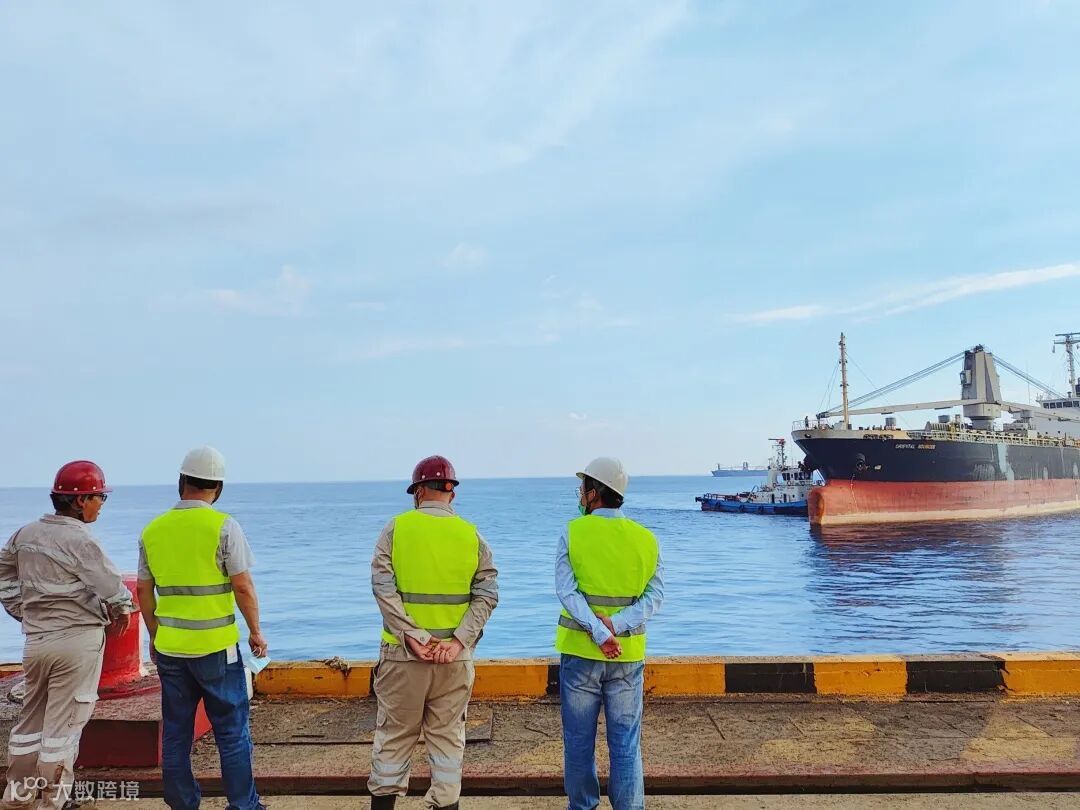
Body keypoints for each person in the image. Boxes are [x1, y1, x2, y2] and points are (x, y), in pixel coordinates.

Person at [136, 447, 267, 810]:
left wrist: (155, 635)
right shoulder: (224, 526)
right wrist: (256, 632)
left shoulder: (153, 530)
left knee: (176, 733)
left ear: (181, 482)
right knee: (232, 733)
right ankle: (243, 805)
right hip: (217, 649)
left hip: (171, 649)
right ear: (218, 488)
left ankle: (182, 803)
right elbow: (243, 587)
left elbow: (144, 590)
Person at [0, 460, 134, 809]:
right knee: (64, 726)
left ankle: (17, 797)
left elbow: (3, 574)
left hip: (36, 641)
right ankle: (53, 802)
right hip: (77, 642)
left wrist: (21, 609)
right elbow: (111, 585)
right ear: (79, 501)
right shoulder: (80, 539)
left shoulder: (25, 535)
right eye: (99, 496)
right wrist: (122, 609)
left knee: (30, 722)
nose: (101, 504)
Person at [368, 455, 498, 810]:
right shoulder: (472, 535)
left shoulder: (396, 529)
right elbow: (487, 595)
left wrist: (415, 636)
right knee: (448, 743)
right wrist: (457, 642)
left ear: (419, 492)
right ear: (451, 493)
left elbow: (383, 588)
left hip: (403, 658)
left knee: (393, 740)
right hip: (454, 662)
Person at [555, 457, 665, 810]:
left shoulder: (573, 532)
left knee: (578, 743)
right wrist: (615, 626)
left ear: (594, 492)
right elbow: (655, 597)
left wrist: (599, 631)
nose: (580, 494)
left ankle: (583, 806)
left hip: (580, 654)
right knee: (626, 744)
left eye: (583, 487)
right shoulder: (646, 539)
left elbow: (567, 591)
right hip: (628, 656)